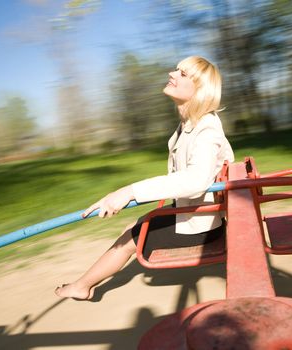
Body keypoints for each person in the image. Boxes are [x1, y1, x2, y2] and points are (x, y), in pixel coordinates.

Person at [55, 56, 234, 300]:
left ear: (199, 89)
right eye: (176, 70)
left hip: (200, 228)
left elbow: (195, 180)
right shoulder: (188, 125)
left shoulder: (206, 127)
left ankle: (81, 287)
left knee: (131, 237)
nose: (172, 74)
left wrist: (128, 191)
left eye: (182, 74)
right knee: (132, 228)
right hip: (193, 214)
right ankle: (83, 285)